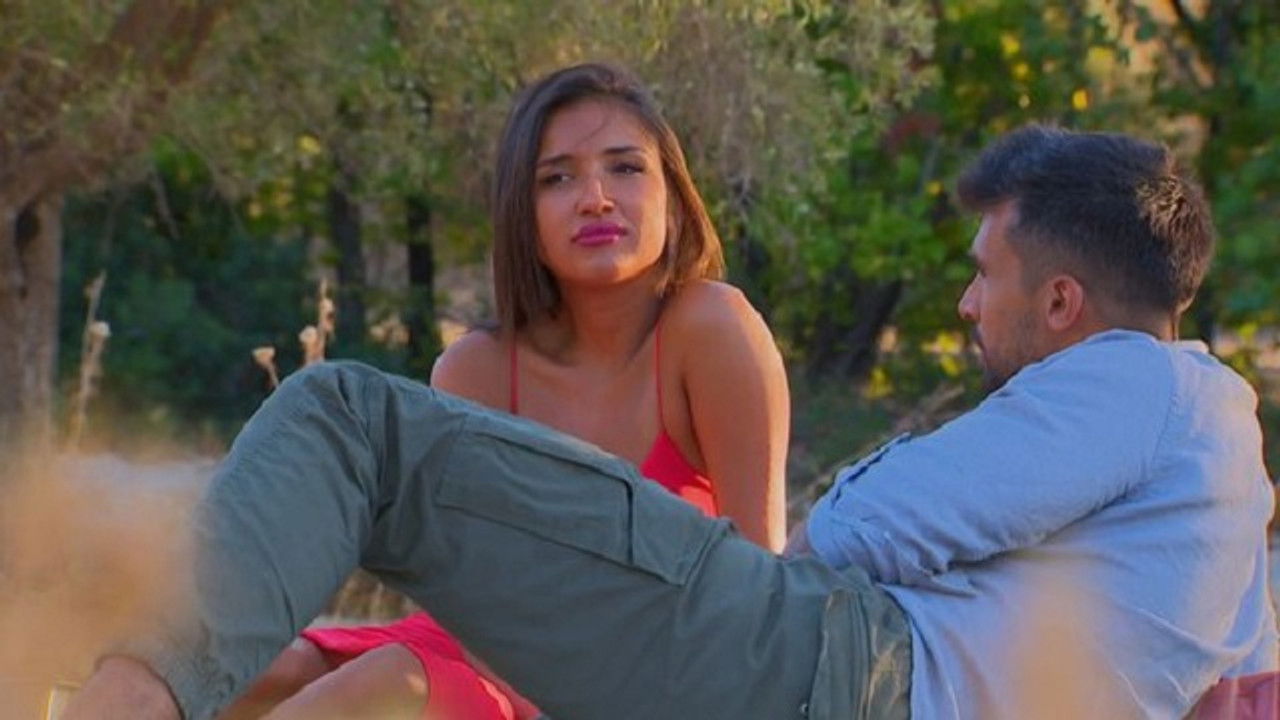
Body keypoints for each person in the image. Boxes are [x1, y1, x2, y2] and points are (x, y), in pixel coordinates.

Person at [64, 125, 1277, 720]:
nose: (965, 305)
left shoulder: (1146, 384)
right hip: (840, 677)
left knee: (350, 422)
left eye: (983, 275)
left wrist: (809, 559)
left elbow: (880, 525)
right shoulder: (1220, 474)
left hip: (829, 662)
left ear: (1061, 302)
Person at [216, 63, 789, 720]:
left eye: (626, 167)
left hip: (649, 680)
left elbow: (763, 595)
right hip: (492, 657)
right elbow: (472, 603)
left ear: (674, 198)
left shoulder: (712, 328)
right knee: (254, 673)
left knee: (388, 687)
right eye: (557, 178)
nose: (596, 198)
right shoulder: (477, 370)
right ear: (524, 214)